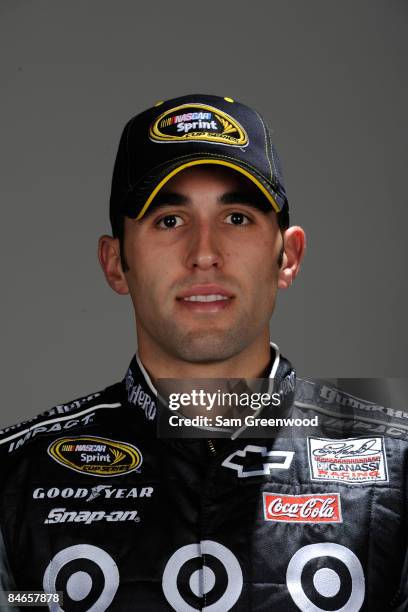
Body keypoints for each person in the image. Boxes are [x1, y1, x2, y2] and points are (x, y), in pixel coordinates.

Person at [0, 94, 406, 611]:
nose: (205, 254)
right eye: (169, 221)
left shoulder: (398, 464)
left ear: (289, 255)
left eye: (237, 218)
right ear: (115, 262)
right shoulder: (14, 476)